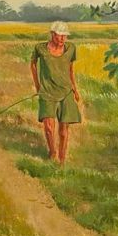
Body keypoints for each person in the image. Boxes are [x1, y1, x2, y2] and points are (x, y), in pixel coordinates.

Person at [30, 21, 84, 165]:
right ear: (52, 34)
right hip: (47, 92)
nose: (62, 39)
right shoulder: (40, 48)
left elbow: (70, 69)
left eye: (65, 36)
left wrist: (75, 89)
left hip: (66, 92)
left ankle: (62, 160)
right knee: (48, 128)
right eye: (60, 35)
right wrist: (37, 85)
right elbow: (33, 64)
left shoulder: (70, 49)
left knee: (63, 130)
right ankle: (53, 152)